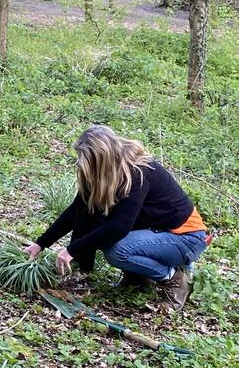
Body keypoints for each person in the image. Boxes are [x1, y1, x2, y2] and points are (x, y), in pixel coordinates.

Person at [25, 125, 209, 310]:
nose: (81, 164)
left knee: (116, 250)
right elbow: (76, 210)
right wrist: (40, 244)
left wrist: (72, 250)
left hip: (186, 238)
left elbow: (118, 227)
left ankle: (175, 279)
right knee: (103, 232)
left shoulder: (139, 172)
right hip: (157, 232)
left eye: (85, 160)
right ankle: (138, 278)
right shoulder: (107, 172)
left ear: (101, 159)